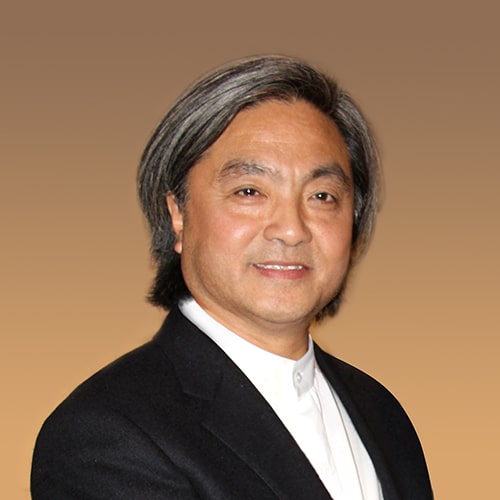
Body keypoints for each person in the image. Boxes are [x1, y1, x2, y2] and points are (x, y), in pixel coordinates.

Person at [31, 55, 433, 499]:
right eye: (250, 191)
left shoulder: (381, 414)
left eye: (322, 196)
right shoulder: (106, 434)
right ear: (178, 214)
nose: (291, 229)